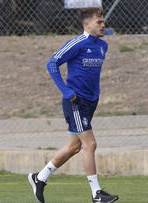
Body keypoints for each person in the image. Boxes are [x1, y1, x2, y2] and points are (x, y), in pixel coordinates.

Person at [28, 7, 119, 203]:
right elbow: (52, 63)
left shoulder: (103, 46)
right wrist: (66, 90)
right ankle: (96, 193)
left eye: (103, 21)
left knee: (73, 147)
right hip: (75, 101)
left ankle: (39, 177)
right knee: (90, 144)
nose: (103, 25)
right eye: (99, 22)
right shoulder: (77, 43)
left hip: (90, 102)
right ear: (87, 24)